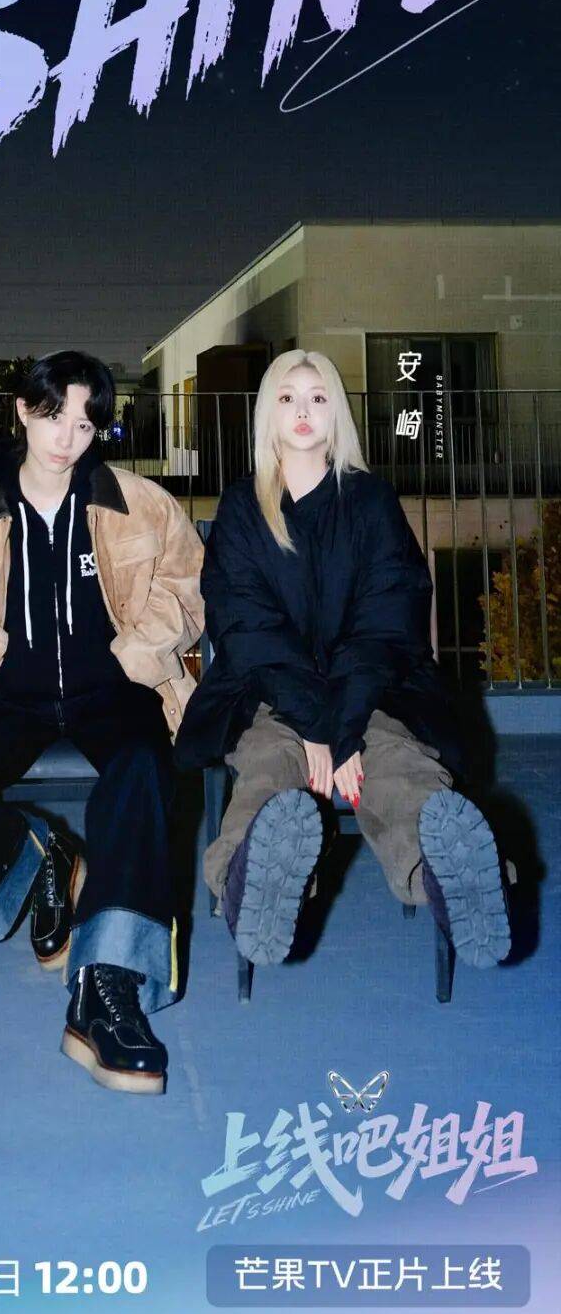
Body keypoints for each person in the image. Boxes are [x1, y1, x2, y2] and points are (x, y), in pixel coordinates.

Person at [0, 350, 206, 1096]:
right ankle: (49, 865)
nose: (67, 436)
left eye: (85, 422)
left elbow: (188, 585)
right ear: (23, 412)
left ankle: (107, 990)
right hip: (4, 694)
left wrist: (137, 650)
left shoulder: (138, 502)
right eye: (53, 415)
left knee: (143, 770)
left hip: (114, 688)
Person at [175, 349, 511, 971]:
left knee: (398, 764)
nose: (302, 410)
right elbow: (246, 628)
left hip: (374, 691)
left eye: (318, 397)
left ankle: (449, 879)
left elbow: (387, 621)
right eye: (287, 398)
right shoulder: (243, 508)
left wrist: (345, 726)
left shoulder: (371, 502)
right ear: (268, 414)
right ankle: (250, 885)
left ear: (336, 415)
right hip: (269, 693)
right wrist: (316, 725)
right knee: (268, 767)